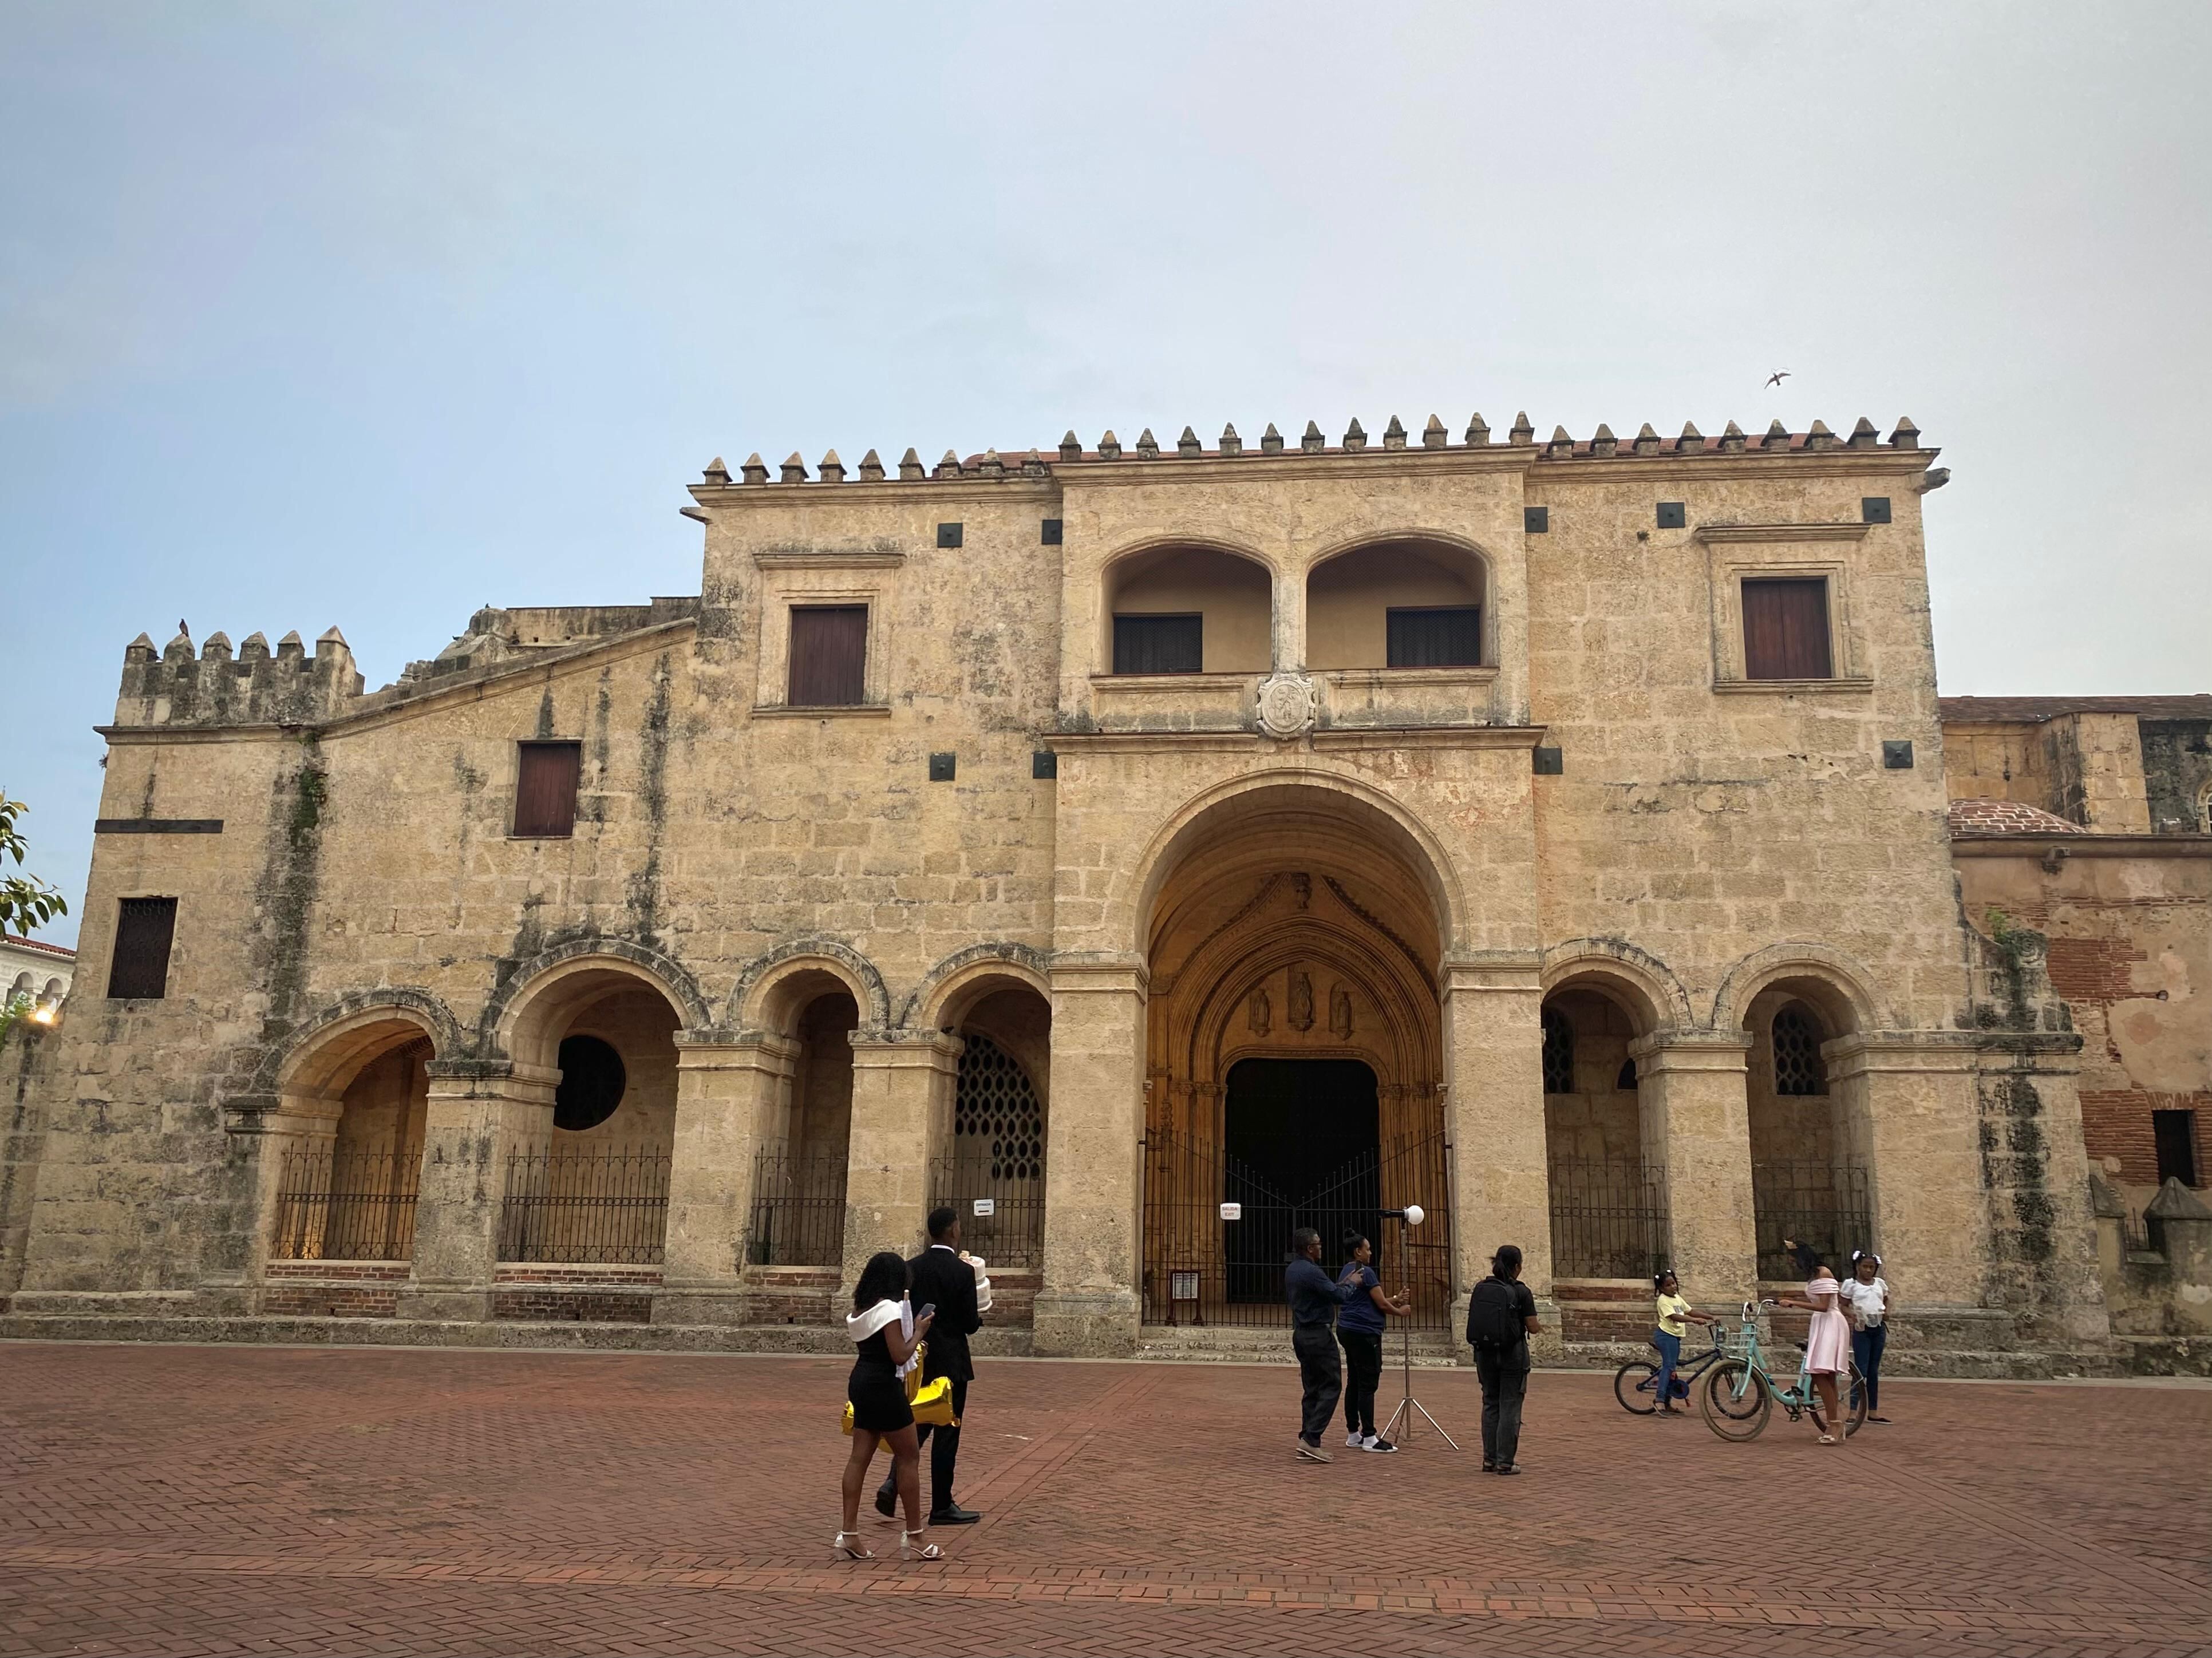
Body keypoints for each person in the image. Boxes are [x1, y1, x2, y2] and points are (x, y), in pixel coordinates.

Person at [874, 1207, 984, 1525]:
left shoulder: (911, 1268)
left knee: (919, 1423)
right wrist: (979, 1318)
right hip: (952, 1360)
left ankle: (893, 1481)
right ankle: (942, 1505)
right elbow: (969, 1324)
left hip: (919, 1357)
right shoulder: (962, 1271)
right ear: (953, 1230)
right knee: (948, 1430)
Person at [836, 1250, 941, 1562]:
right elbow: (899, 1354)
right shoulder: (890, 1309)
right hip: (884, 1385)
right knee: (909, 1456)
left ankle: (849, 1534)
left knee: (859, 1458)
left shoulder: (861, 1308)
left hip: (861, 1380)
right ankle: (915, 1535)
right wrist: (919, 1332)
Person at [1284, 1225, 1366, 1462]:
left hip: (1302, 1333)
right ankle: (1312, 1438)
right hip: (1318, 1335)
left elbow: (1325, 1291)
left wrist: (1342, 1284)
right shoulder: (1311, 1271)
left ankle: (1307, 1438)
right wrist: (1353, 1282)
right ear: (1311, 1248)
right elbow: (1338, 1296)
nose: (1321, 1248)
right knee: (1331, 1385)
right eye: (1319, 1244)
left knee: (1312, 1388)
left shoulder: (1294, 1269)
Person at [1464, 1243, 1540, 1474]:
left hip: (1484, 1354)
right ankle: (1505, 1462)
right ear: (1517, 1266)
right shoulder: (1522, 1292)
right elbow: (1532, 1326)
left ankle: (1489, 1459)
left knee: (1490, 1403)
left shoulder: (1483, 1288)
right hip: (1513, 1355)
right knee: (1510, 1405)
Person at [1337, 1230, 1413, 1453]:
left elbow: (1370, 1300)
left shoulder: (1347, 1270)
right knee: (1368, 1384)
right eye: (1368, 1249)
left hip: (1347, 1329)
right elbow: (1380, 1305)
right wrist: (1400, 1311)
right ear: (1358, 1252)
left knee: (1354, 1381)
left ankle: (1354, 1434)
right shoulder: (1366, 1272)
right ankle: (1370, 1437)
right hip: (1364, 1333)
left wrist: (1395, 1299)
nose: (1371, 1253)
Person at [1777, 1238, 1852, 1446]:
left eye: (1792, 1259)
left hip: (1831, 1322)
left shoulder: (1824, 1272)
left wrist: (1794, 1302)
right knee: (1825, 1375)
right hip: (1821, 1324)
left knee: (1821, 1373)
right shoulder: (1812, 1276)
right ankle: (1835, 1423)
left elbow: (1824, 1306)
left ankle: (1834, 1424)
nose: (1791, 1263)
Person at [1650, 1269, 1717, 1416]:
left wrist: (1710, 1317)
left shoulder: (1677, 1298)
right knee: (1669, 1367)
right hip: (1666, 1336)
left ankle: (1667, 1403)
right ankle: (1659, 1399)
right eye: (1668, 1285)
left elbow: (1690, 1311)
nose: (1673, 1287)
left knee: (1672, 1369)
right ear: (1661, 1288)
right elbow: (1674, 1316)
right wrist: (1694, 1321)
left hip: (1675, 1337)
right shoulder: (1663, 1300)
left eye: (1674, 1283)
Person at [1839, 1248, 1891, 1423]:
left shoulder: (1880, 1284)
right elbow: (1843, 1305)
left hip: (1878, 1328)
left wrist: (1887, 1312)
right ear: (1857, 1267)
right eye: (1865, 1267)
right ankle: (1854, 1411)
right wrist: (1853, 1315)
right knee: (1860, 1370)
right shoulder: (1852, 1285)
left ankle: (1873, 1411)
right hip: (1862, 1330)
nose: (1868, 1270)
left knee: (1873, 1371)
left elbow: (1886, 1300)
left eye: (1872, 1267)